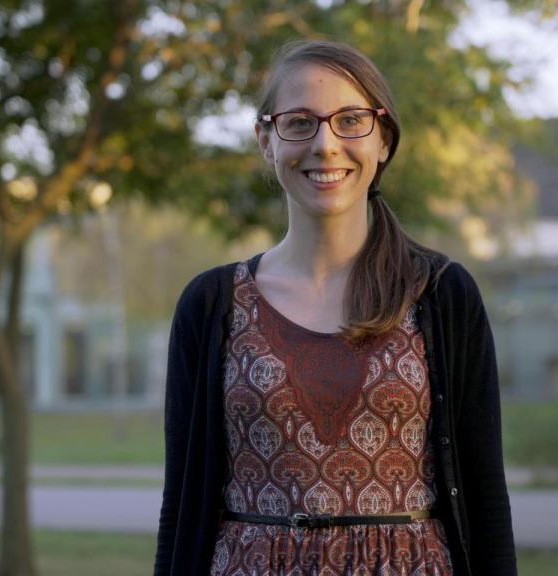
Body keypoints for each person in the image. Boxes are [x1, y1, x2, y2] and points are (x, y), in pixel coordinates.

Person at [154, 39, 516, 576]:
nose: (325, 144)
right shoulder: (212, 305)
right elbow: (180, 501)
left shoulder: (441, 293)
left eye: (350, 120)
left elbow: (486, 497)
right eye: (299, 122)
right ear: (266, 141)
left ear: (384, 140)